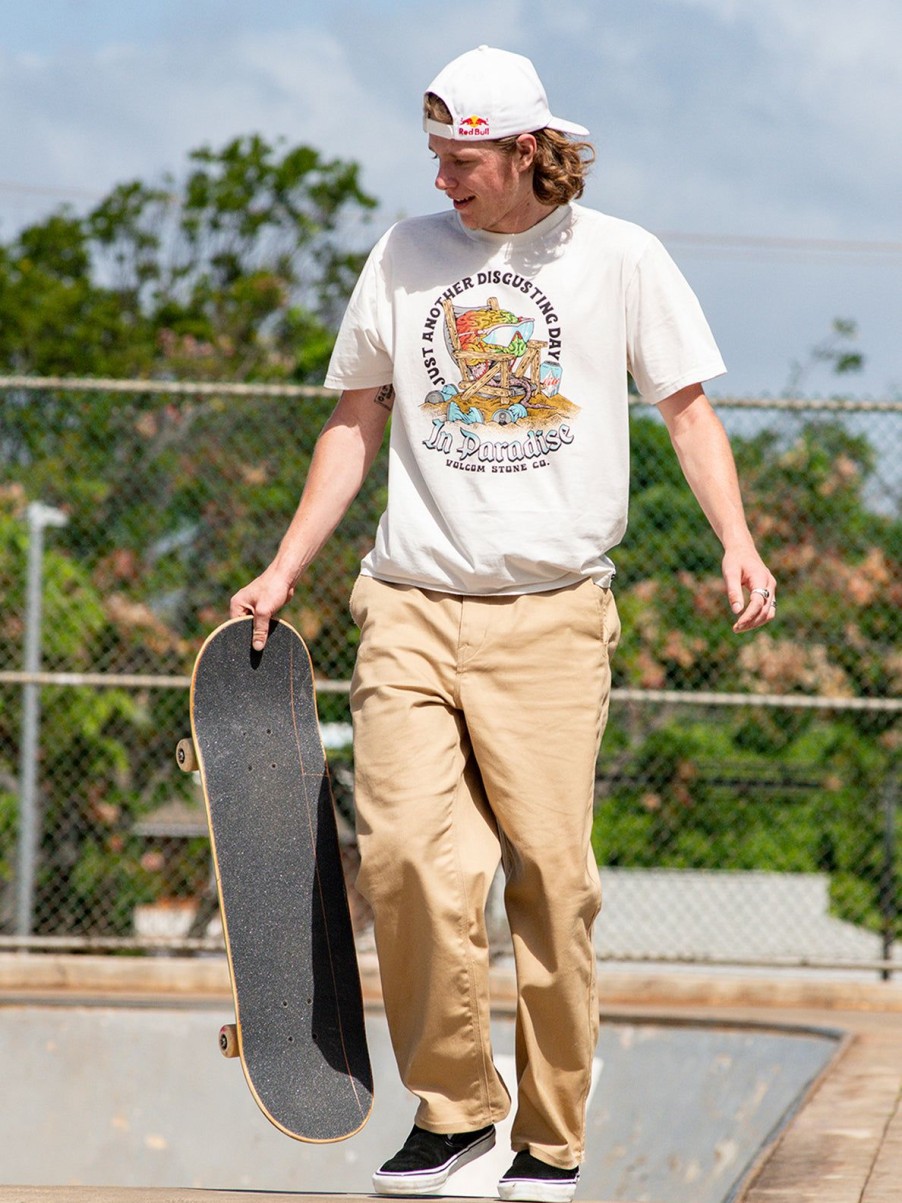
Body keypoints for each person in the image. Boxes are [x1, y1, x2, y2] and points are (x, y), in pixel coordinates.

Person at [230, 44, 776, 1203]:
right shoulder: (404, 256)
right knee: (405, 867)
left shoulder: (618, 257)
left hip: (550, 620)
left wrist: (736, 537)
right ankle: (456, 1113)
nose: (443, 181)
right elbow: (353, 421)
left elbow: (685, 412)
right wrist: (283, 569)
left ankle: (548, 1139)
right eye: (433, 157)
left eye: (462, 159)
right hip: (411, 604)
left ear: (527, 149)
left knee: (551, 885)